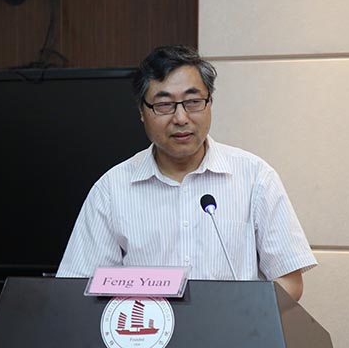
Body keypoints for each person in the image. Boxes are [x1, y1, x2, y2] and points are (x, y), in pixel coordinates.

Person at [57, 45, 317, 301]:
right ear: (142, 111)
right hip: (148, 328)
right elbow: (78, 286)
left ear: (209, 103)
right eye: (164, 105)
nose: (181, 118)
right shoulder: (111, 189)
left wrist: (242, 315)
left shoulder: (255, 177)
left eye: (193, 102)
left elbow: (289, 280)